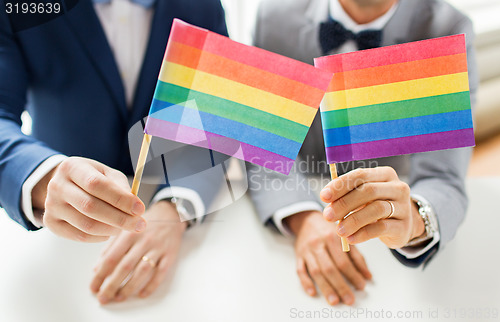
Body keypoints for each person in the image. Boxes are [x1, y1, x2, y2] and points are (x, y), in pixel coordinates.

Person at [250, 0, 478, 306]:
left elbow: (443, 178)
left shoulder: (446, 28)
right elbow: (263, 143)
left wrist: (414, 219)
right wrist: (303, 217)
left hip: (388, 270)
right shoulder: (272, 18)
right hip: (282, 256)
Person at [0, 0, 228, 304]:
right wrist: (42, 176)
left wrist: (175, 206)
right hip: (53, 239)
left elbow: (218, 114)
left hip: (179, 227)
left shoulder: (205, 7)